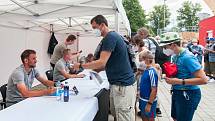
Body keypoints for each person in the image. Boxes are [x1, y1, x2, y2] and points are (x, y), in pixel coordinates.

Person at [74, 15, 136, 121]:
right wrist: (94, 70)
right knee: (117, 114)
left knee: (124, 116)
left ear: (102, 25)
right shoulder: (113, 37)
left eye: (94, 28)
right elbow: (105, 64)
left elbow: (101, 61)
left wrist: (81, 65)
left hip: (123, 85)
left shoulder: (110, 38)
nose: (93, 31)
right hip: (119, 85)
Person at [159, 32, 208, 121]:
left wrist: (178, 81)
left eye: (165, 47)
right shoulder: (175, 56)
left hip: (188, 94)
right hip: (177, 92)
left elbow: (204, 80)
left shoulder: (187, 57)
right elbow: (180, 73)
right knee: (175, 118)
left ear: (173, 45)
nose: (164, 49)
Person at [138, 50, 159, 121]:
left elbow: (154, 89)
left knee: (150, 118)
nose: (140, 62)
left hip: (148, 101)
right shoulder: (145, 70)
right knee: (144, 117)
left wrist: (149, 104)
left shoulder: (151, 72)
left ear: (146, 60)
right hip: (142, 99)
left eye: (140, 60)